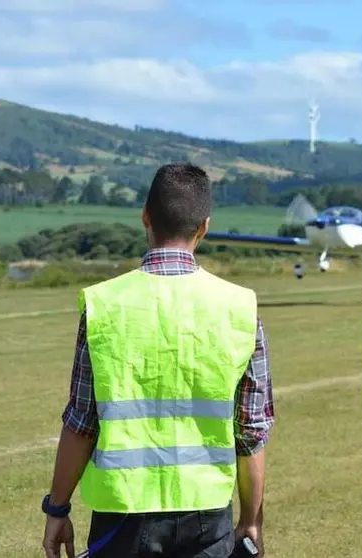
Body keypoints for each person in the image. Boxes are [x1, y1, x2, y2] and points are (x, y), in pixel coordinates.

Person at [40, 163, 275, 558]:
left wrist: (58, 507)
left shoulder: (103, 304)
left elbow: (81, 421)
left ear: (145, 218)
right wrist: (251, 519)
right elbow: (250, 431)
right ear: (203, 227)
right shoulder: (240, 307)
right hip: (207, 511)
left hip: (122, 511)